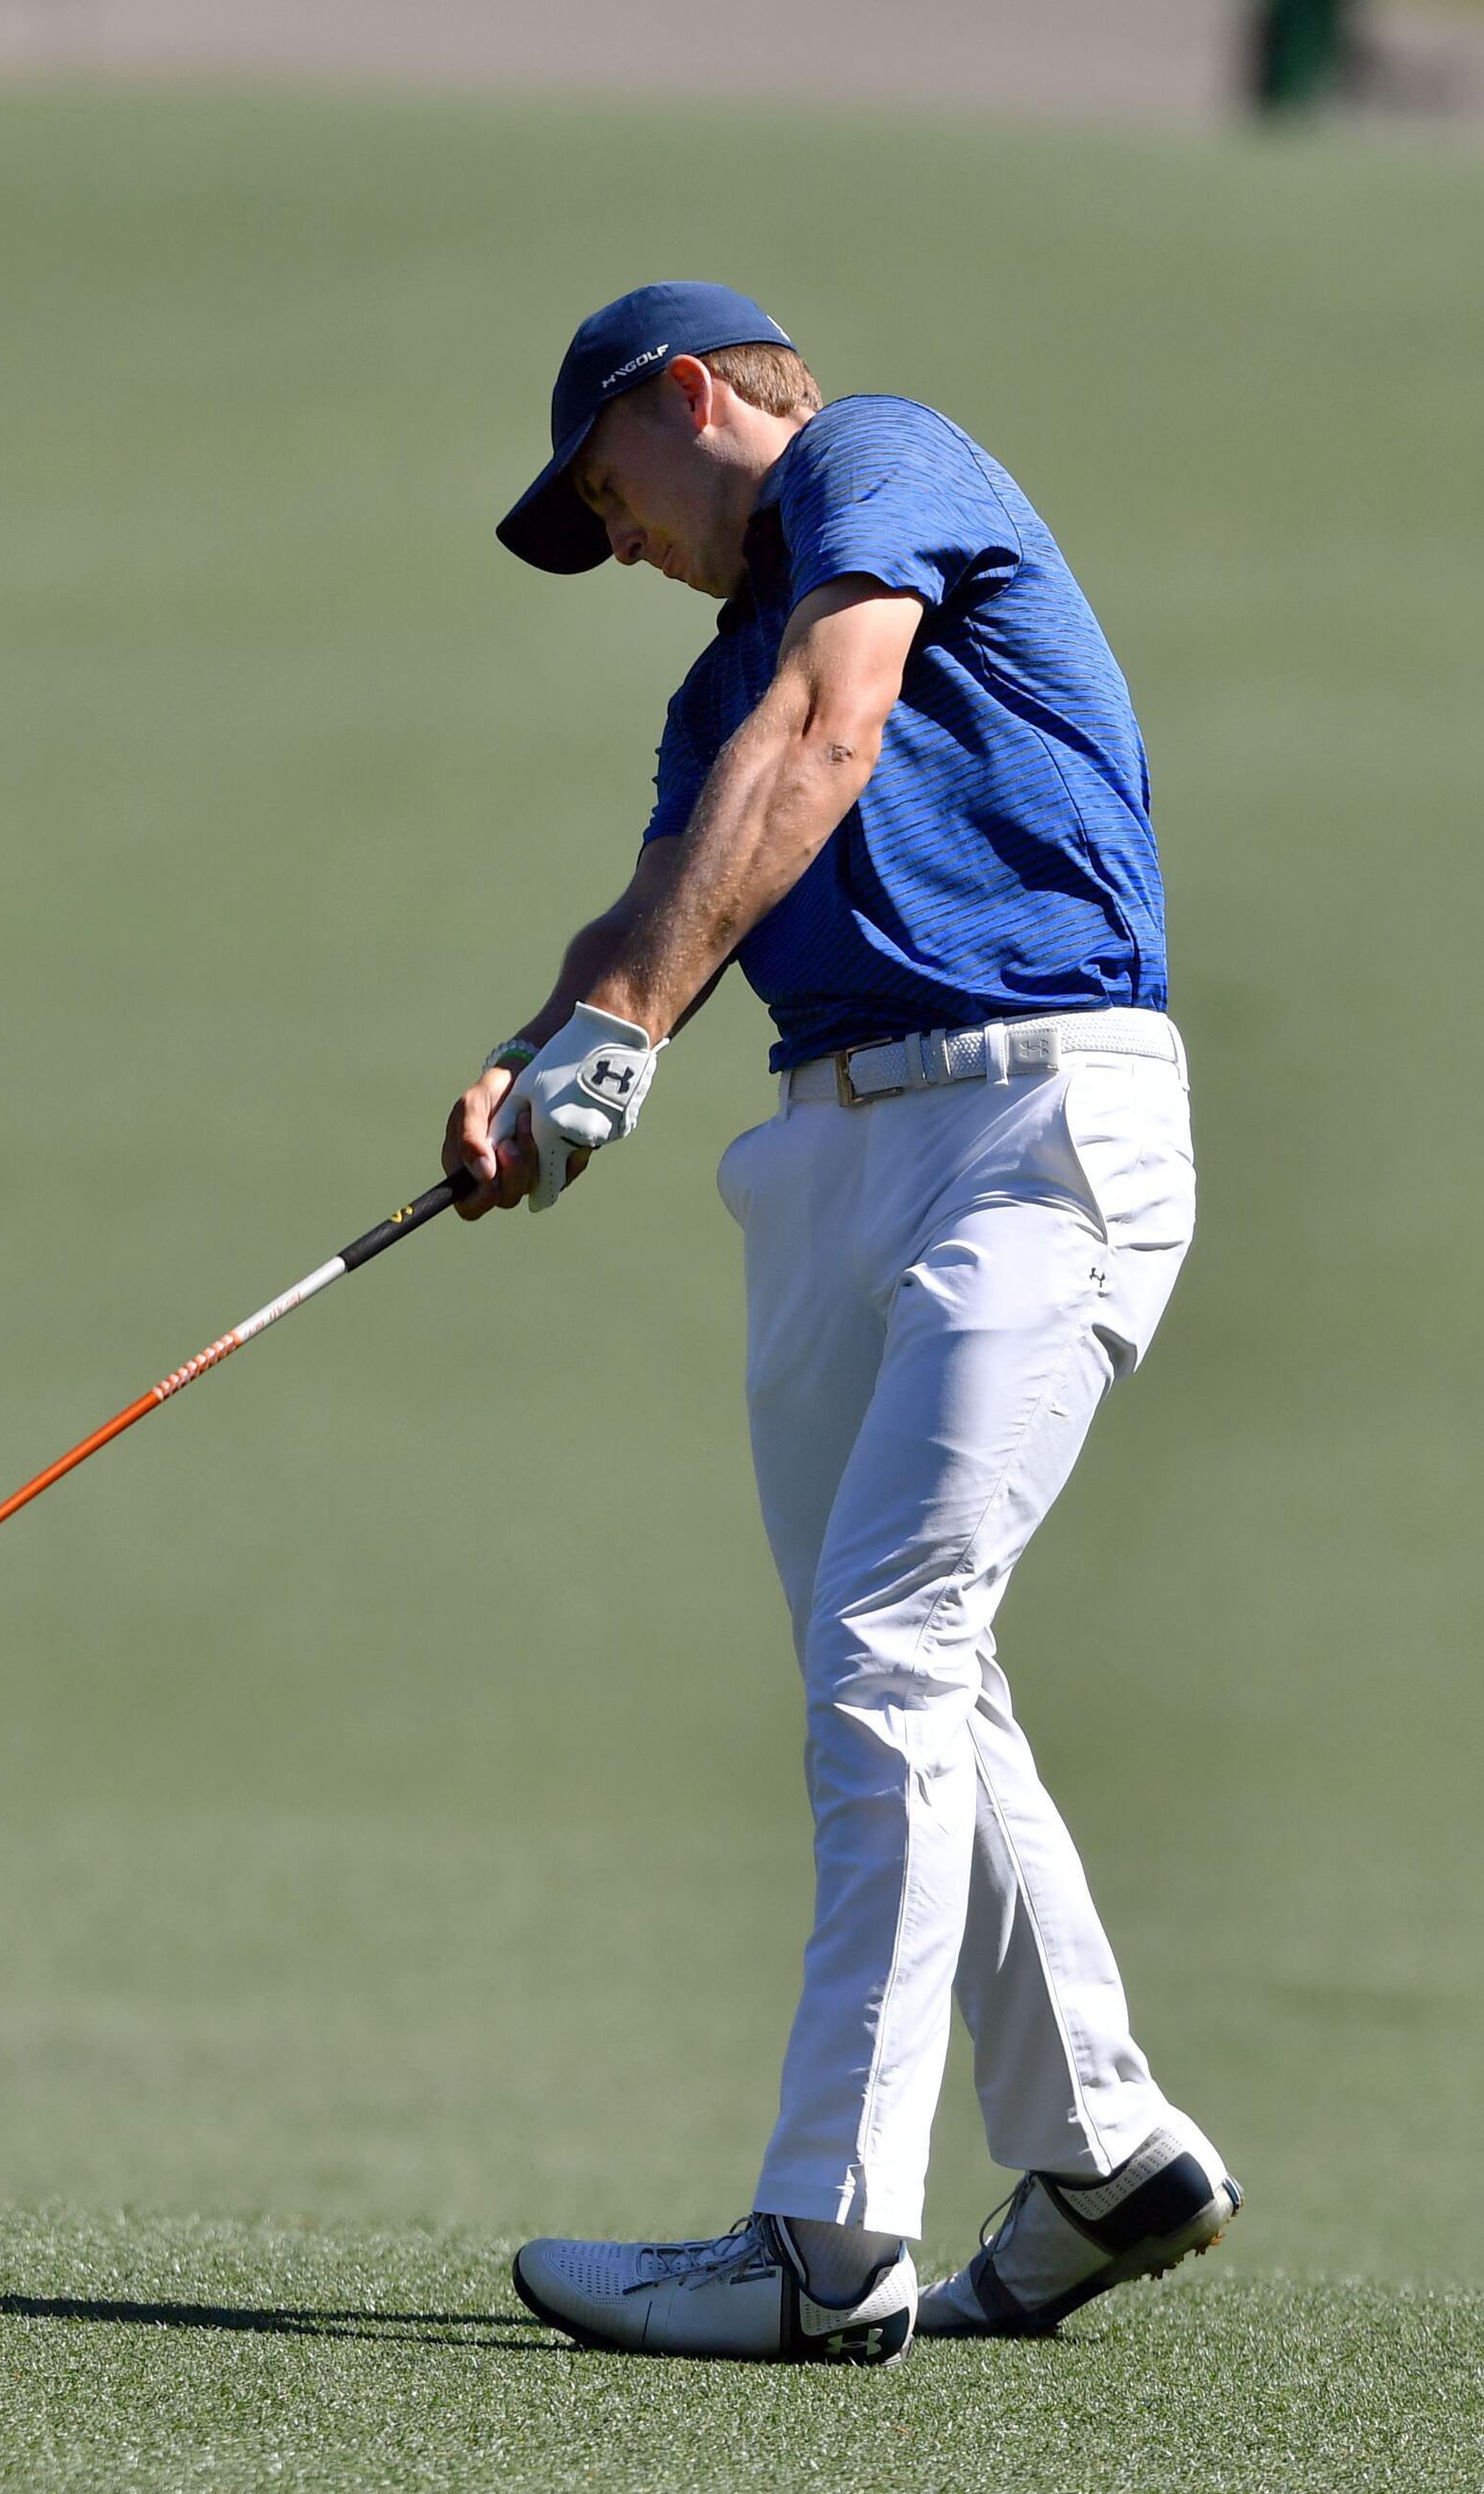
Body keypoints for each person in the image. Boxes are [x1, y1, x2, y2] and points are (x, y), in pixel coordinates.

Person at [454, 284, 1240, 2364]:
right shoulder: (712, 691)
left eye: (604, 493)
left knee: (890, 1643)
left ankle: (825, 2243)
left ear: (691, 396)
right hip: (825, 1165)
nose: (610, 538)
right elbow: (662, 907)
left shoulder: (878, 462)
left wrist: (620, 1031)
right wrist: (538, 1051)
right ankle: (1107, 2155)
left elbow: (839, 729)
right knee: (909, 1663)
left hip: (1038, 1121)